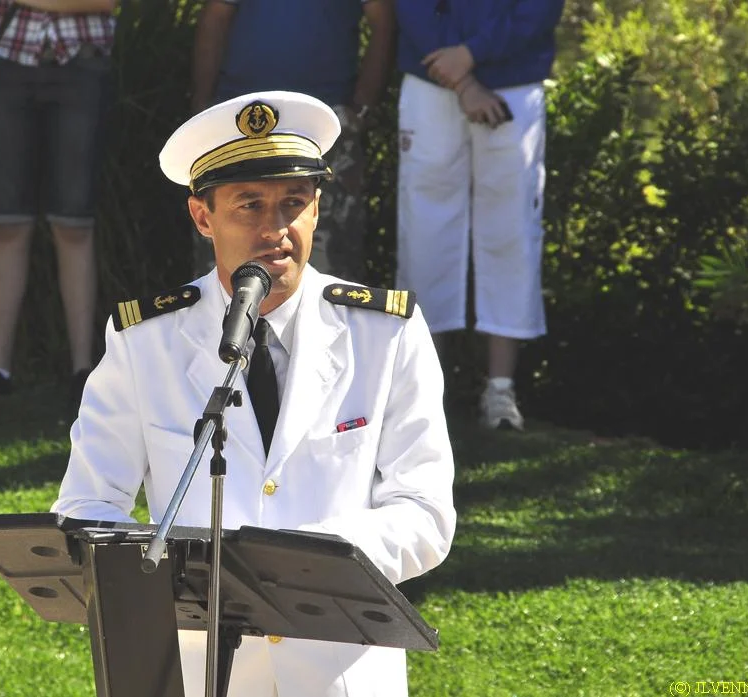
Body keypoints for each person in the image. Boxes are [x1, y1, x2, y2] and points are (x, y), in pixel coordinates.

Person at [52, 91, 456, 697]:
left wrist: (297, 566)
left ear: (318, 209)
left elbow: (425, 513)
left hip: (338, 673)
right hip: (200, 671)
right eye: (249, 206)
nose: (276, 230)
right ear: (202, 217)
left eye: (294, 203)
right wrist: (171, 575)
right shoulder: (146, 341)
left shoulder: (386, 332)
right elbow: (86, 505)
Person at [394, 0, 566, 430]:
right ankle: (422, 390)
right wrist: (461, 76)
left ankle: (501, 390)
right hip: (431, 78)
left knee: (511, 230)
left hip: (514, 81)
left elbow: (538, 10)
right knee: (423, 230)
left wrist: (470, 56)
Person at [0, 0, 115, 420]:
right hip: (10, 63)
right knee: (8, 222)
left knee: (74, 223)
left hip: (82, 67)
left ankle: (83, 369)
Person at [188, 0, 395, 283]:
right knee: (227, 251)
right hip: (239, 125)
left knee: (332, 253)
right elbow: (216, 16)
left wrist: (362, 106)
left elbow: (382, 20)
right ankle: (229, 328)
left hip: (325, 125)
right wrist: (204, 108)